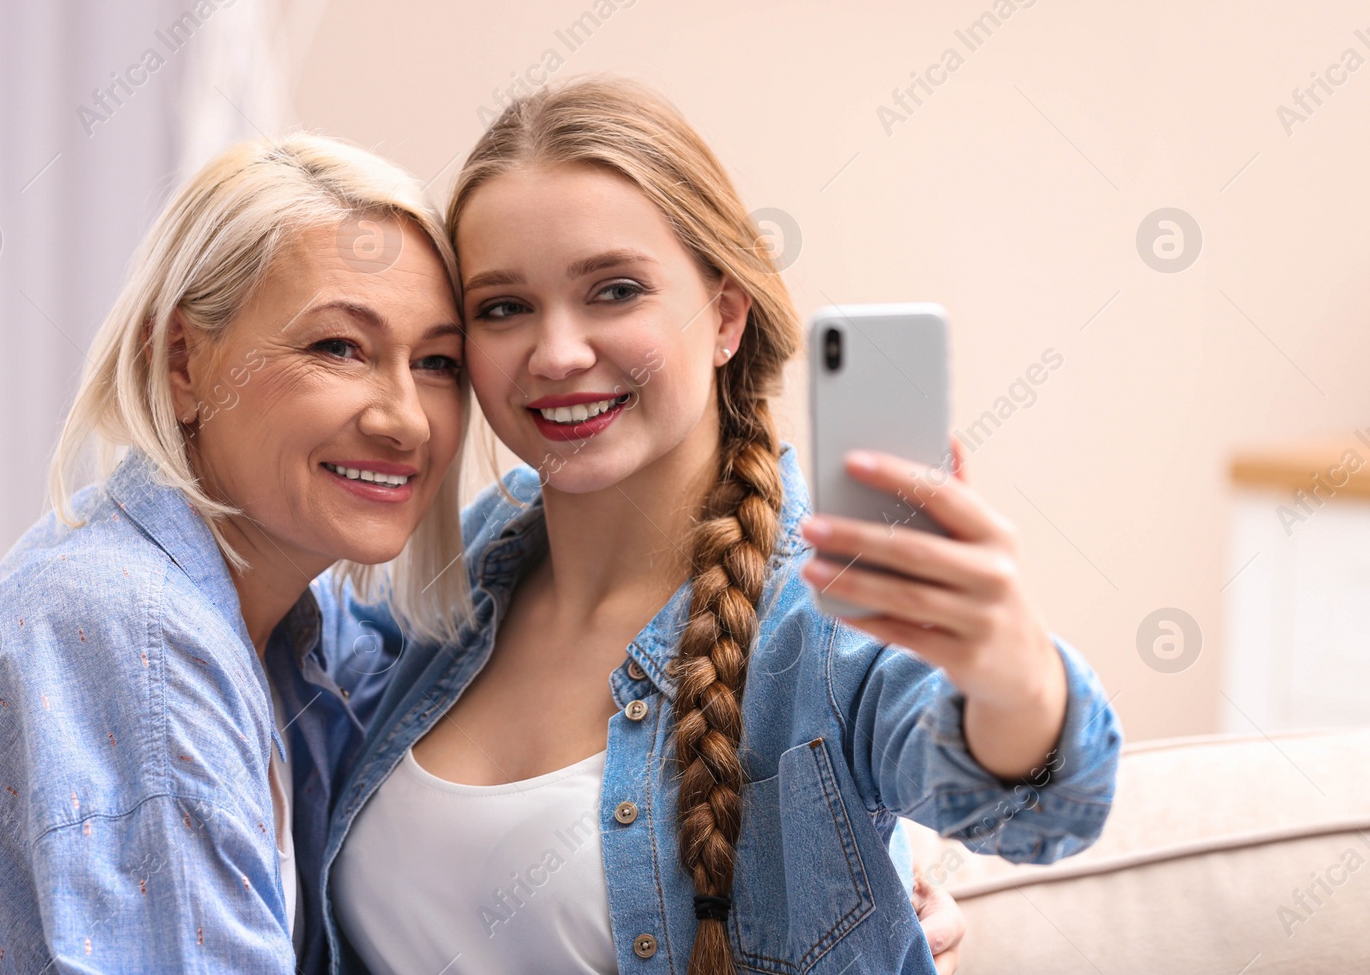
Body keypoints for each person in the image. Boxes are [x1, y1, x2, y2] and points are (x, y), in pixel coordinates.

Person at [319, 78, 1122, 974]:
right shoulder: (458, 563)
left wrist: (1013, 673)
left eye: (615, 291)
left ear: (727, 316)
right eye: (503, 307)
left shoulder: (825, 616)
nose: (556, 353)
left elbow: (1044, 809)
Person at [0, 133, 472, 973]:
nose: (406, 417)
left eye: (437, 362)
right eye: (337, 347)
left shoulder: (272, 627)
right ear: (182, 362)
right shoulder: (138, 631)